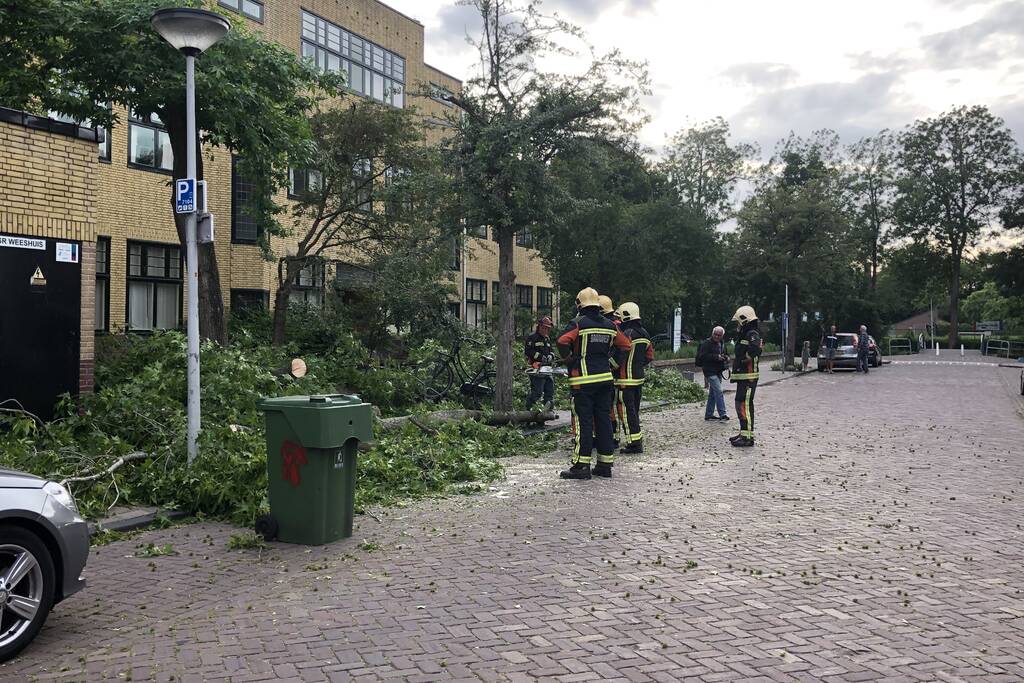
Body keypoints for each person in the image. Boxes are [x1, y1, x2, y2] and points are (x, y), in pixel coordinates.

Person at [557, 287, 631, 479]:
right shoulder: (610, 325)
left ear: (579, 304)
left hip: (582, 381)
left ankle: (581, 466)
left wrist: (569, 359)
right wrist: (613, 364)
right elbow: (625, 345)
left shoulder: (577, 323)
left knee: (584, 422)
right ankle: (604, 465)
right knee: (604, 420)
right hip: (605, 379)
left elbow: (562, 341)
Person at [614, 302, 654, 454]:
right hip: (638, 379)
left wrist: (611, 366)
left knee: (626, 412)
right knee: (634, 411)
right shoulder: (645, 333)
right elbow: (649, 356)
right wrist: (637, 365)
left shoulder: (627, 334)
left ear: (625, 316)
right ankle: (636, 440)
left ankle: (634, 444)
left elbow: (620, 354)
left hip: (625, 380)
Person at [729, 305, 763, 448]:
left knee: (745, 406)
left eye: (738, 322)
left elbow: (756, 349)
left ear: (744, 320)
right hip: (743, 377)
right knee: (740, 404)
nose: (737, 325)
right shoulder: (746, 334)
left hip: (749, 377)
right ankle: (743, 432)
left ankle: (748, 438)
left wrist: (745, 358)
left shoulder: (752, 333)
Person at [696, 326, 729, 421]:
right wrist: (716, 357)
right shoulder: (706, 343)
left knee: (713, 393)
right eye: (715, 334)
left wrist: (726, 357)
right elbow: (702, 356)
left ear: (722, 336)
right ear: (712, 333)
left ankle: (709, 414)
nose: (717, 336)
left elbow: (726, 353)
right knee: (719, 391)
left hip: (718, 370)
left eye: (719, 335)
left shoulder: (722, 343)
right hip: (709, 370)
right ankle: (723, 414)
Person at [524, 316, 555, 412]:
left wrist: (551, 356)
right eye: (544, 328)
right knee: (537, 392)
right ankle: (529, 411)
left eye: (548, 329)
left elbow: (551, 350)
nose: (546, 330)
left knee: (549, 392)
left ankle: (548, 412)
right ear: (540, 326)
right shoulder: (532, 337)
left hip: (547, 369)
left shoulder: (547, 339)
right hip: (536, 369)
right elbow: (528, 351)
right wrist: (540, 357)